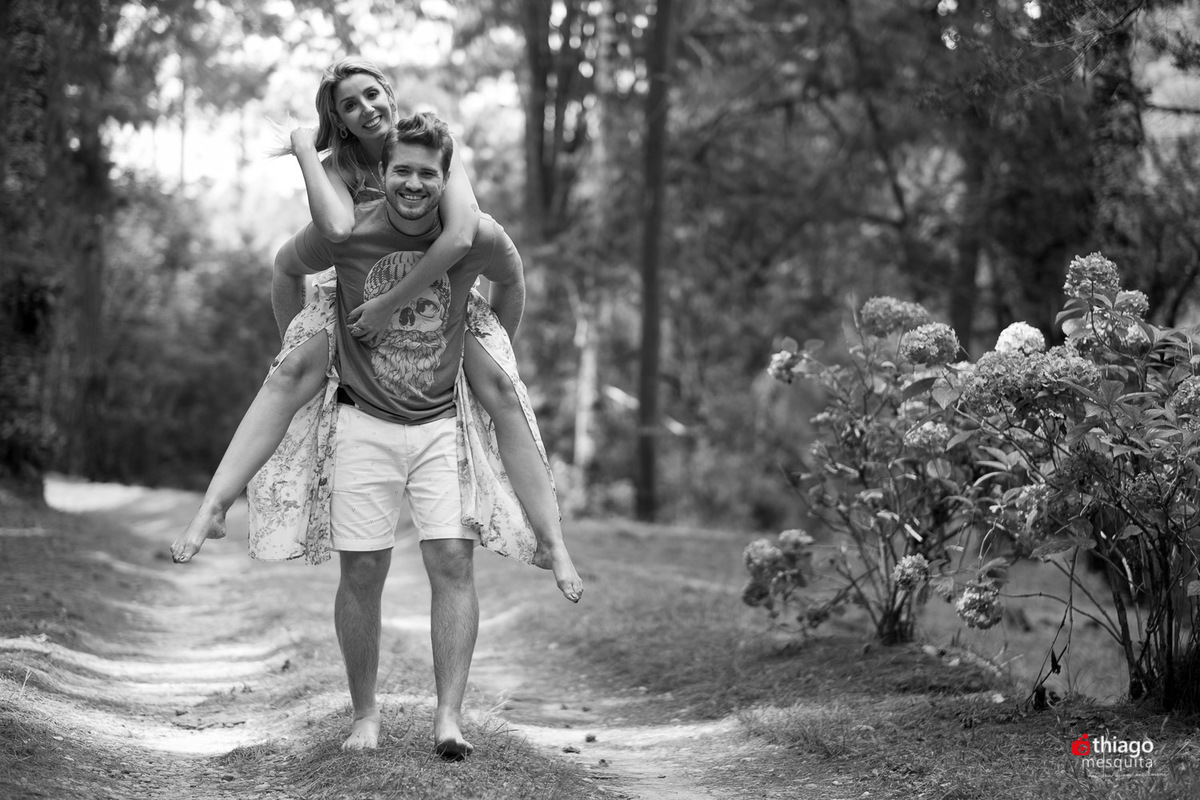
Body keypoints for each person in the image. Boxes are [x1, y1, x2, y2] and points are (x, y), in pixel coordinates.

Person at [171, 57, 581, 603]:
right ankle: (214, 506)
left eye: (371, 95)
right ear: (338, 121)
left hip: (434, 297)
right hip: (352, 294)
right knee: (288, 376)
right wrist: (304, 149)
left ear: (389, 92)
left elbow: (461, 235)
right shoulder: (339, 167)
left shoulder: (427, 147)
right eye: (348, 105)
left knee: (502, 391)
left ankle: (553, 542)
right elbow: (336, 228)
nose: (365, 109)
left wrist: (408, 315)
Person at [274, 112, 514, 755]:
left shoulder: (470, 234)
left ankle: (449, 719)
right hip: (361, 420)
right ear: (383, 172)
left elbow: (512, 276)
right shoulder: (348, 232)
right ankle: (365, 718)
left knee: (453, 562)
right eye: (402, 170)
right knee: (361, 570)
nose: (413, 183)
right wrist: (300, 350)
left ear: (446, 178)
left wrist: (494, 353)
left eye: (427, 174)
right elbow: (285, 265)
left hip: (441, 425)